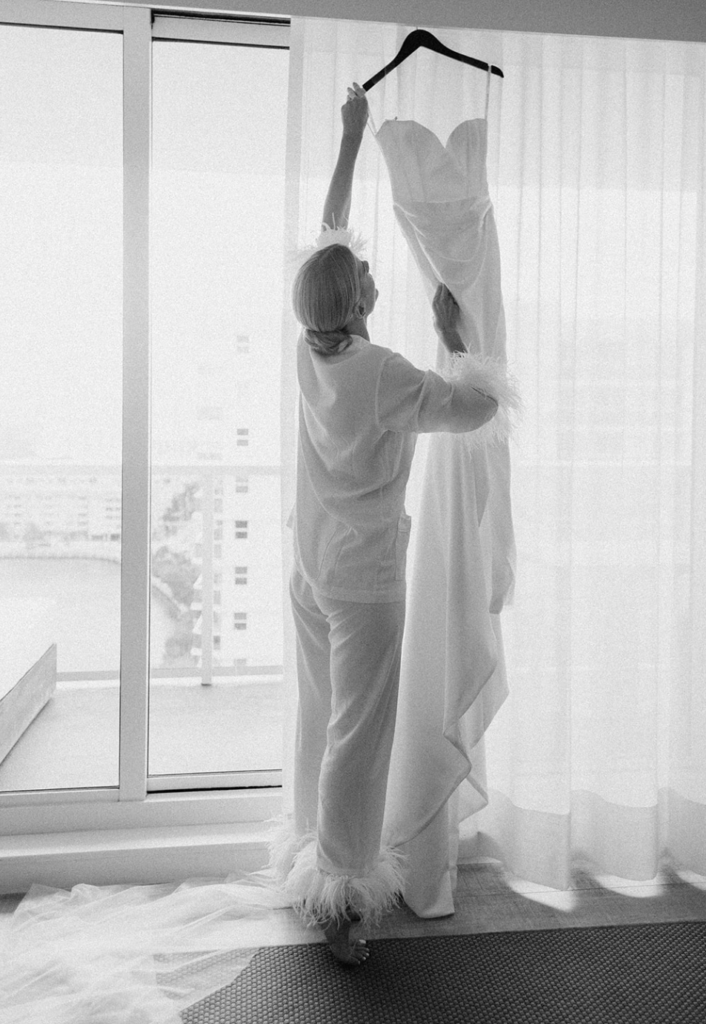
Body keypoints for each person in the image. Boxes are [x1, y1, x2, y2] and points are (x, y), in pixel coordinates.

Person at [273, 83, 501, 966]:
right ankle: (342, 907)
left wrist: (349, 139)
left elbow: (329, 236)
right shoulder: (389, 374)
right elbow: (474, 409)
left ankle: (311, 864)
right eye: (365, 272)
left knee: (318, 719)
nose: (369, 265)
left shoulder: (310, 350)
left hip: (309, 565)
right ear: (358, 300)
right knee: (356, 742)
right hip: (364, 582)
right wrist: (459, 332)